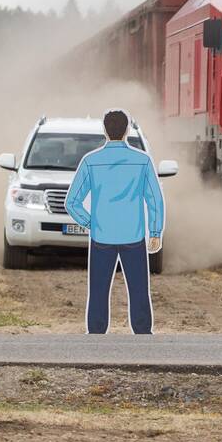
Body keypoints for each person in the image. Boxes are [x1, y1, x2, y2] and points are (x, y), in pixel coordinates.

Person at [65, 109, 164, 334]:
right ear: (127, 130)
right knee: (139, 290)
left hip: (102, 236)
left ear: (104, 130)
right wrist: (155, 232)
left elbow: (71, 202)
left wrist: (91, 222)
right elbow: (154, 200)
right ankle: (142, 335)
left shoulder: (90, 161)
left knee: (98, 291)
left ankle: (97, 336)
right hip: (134, 236)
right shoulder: (142, 161)